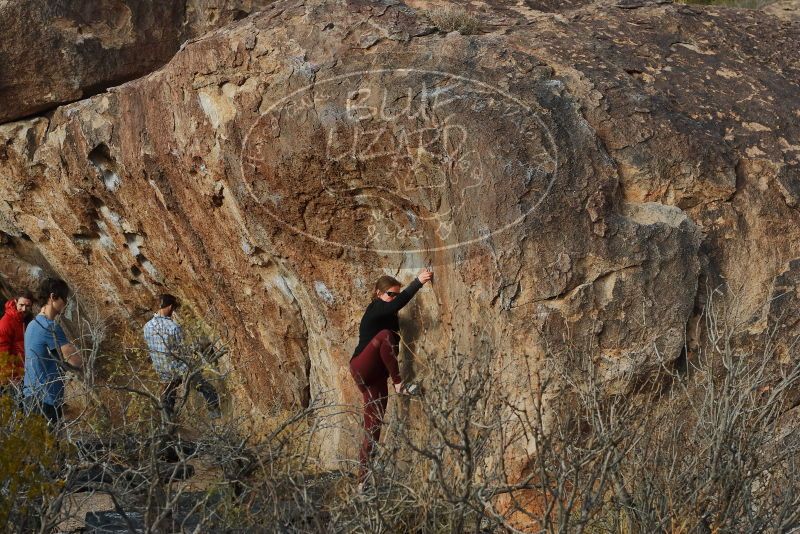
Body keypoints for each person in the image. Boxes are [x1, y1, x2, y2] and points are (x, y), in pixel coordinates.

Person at [350, 268, 433, 482]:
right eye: (390, 294)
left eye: (396, 294)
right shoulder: (376, 307)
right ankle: (398, 384)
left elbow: (395, 310)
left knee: (373, 428)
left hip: (376, 379)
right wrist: (418, 281)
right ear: (378, 293)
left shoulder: (388, 315)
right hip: (362, 366)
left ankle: (362, 482)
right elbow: (397, 305)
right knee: (386, 335)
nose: (393, 298)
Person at [143, 294, 221, 420]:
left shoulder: (147, 327)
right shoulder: (173, 327)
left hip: (162, 371)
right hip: (178, 369)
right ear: (169, 307)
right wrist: (198, 349)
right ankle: (216, 417)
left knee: (168, 399)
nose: (173, 312)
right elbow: (183, 353)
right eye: (173, 309)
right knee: (207, 389)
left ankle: (168, 428)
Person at [23, 278, 82, 425]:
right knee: (49, 446)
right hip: (46, 401)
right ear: (52, 297)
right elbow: (76, 360)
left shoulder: (32, 325)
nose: (65, 303)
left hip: (30, 395)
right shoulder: (50, 327)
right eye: (64, 298)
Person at [0, 290, 34, 387]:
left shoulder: (25, 320)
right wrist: (10, 378)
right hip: (11, 379)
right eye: (21, 305)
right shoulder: (6, 322)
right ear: (15, 302)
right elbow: (2, 353)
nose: (24, 309)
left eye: (27, 306)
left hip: (22, 374)